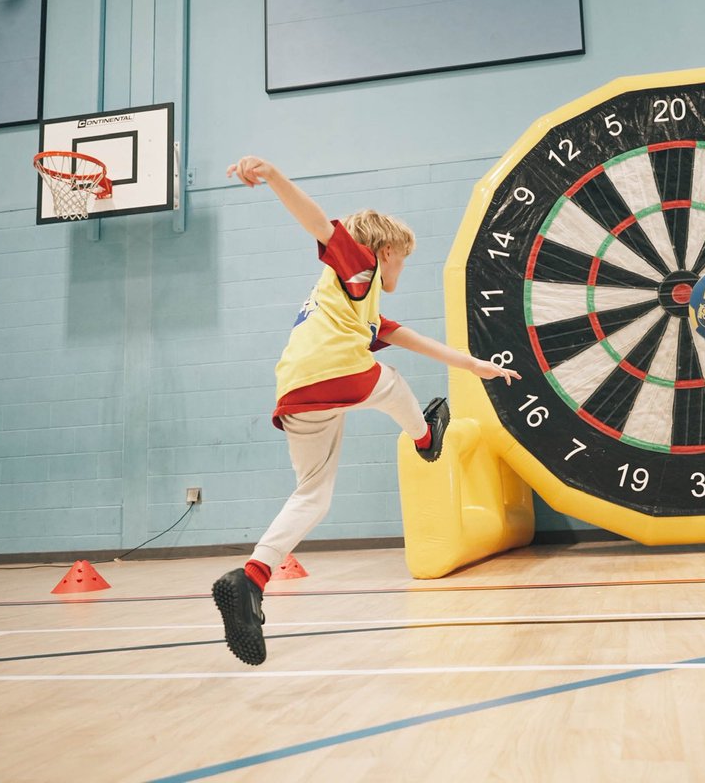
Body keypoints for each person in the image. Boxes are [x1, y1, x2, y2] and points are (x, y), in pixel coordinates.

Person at [211, 156, 520, 665]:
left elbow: (411, 338)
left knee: (313, 495)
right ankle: (426, 438)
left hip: (296, 390)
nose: (401, 268)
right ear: (387, 250)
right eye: (404, 259)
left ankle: (249, 580)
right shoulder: (360, 266)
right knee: (392, 383)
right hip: (333, 372)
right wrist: (273, 176)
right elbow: (315, 221)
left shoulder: (357, 306)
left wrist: (473, 365)